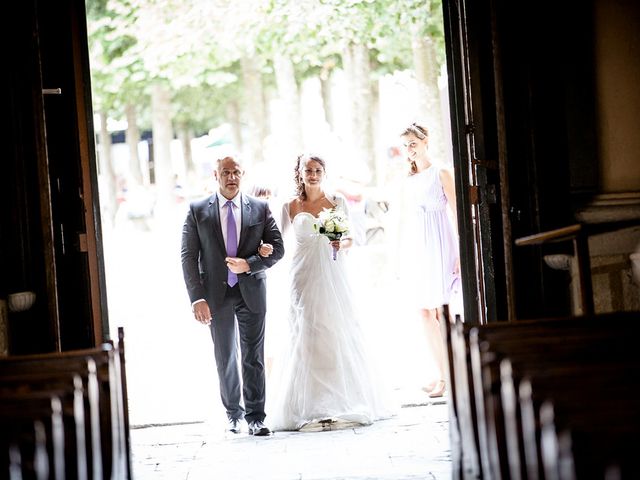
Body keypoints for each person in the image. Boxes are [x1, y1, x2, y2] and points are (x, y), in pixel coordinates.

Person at [267, 153, 392, 432]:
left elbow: (348, 239)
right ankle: (307, 403)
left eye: (318, 170)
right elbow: (276, 242)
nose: (313, 174)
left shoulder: (336, 202)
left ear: (324, 172)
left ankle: (340, 398)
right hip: (302, 274)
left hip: (332, 273)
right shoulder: (290, 206)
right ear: (299, 173)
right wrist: (262, 251)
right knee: (306, 331)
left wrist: (340, 244)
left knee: (334, 327)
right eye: (308, 170)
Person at [181, 155, 284, 436]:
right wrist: (196, 298)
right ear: (216, 175)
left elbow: (277, 247)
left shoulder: (260, 208)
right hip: (216, 295)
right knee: (225, 355)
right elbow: (188, 257)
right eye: (225, 172)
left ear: (243, 175)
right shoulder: (198, 209)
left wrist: (250, 263)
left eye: (236, 172)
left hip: (251, 291)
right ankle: (233, 414)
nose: (231, 177)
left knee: (254, 356)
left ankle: (256, 417)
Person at [400, 122, 460, 398]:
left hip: (441, 242)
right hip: (418, 245)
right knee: (424, 313)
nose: (409, 149)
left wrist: (461, 251)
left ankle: (452, 376)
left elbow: (457, 213)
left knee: (443, 311)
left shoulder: (441, 172)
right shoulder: (409, 178)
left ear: (425, 142)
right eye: (405, 145)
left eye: (413, 143)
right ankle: (440, 372)